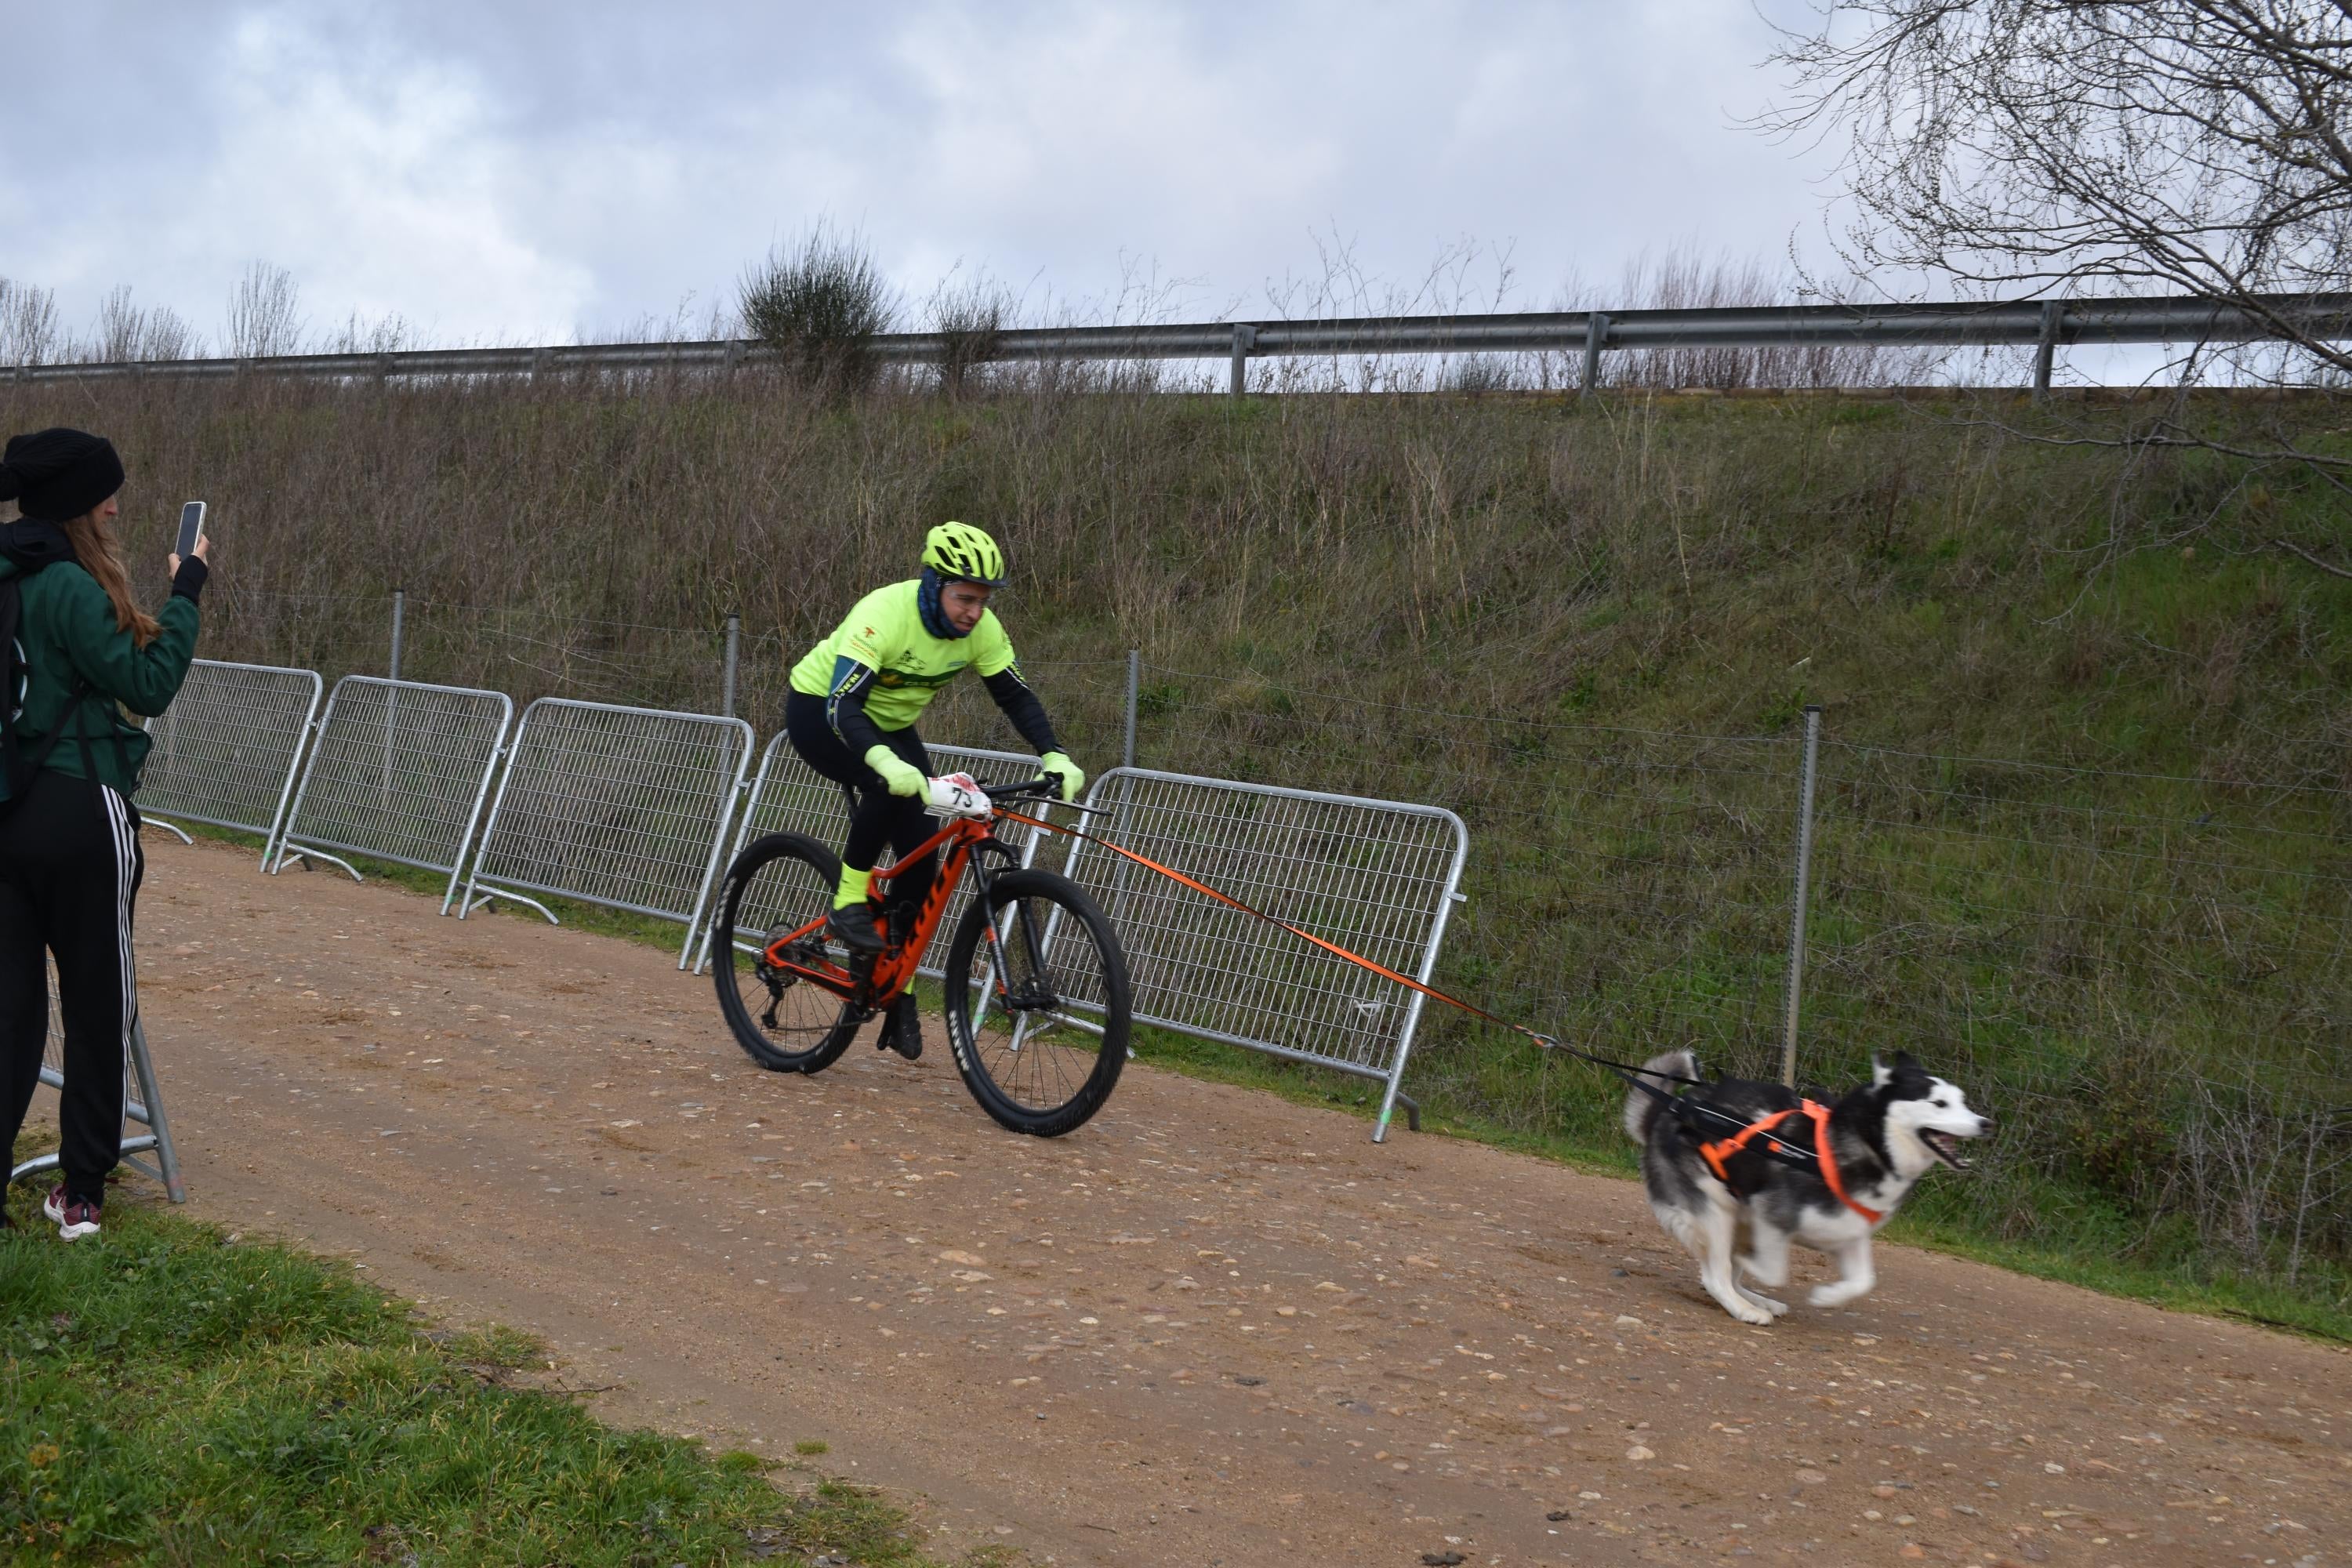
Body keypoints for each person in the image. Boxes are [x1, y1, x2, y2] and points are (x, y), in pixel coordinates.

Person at [0, 428, 207, 1240]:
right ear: (79, 507)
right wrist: (188, 589)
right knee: (98, 1002)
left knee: (11, 1011)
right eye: (104, 494)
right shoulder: (68, 587)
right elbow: (149, 684)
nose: (115, 504)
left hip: (5, 815)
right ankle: (81, 1189)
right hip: (81, 810)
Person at [784, 521, 1081, 1060]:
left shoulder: (982, 631)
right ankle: (848, 902)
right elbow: (842, 704)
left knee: (920, 863)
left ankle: (896, 987)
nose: (974, 611)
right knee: (888, 786)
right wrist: (879, 760)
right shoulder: (885, 613)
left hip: (892, 726)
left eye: (983, 600)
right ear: (933, 584)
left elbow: (1015, 697)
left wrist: (1053, 753)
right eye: (965, 598)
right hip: (821, 712)